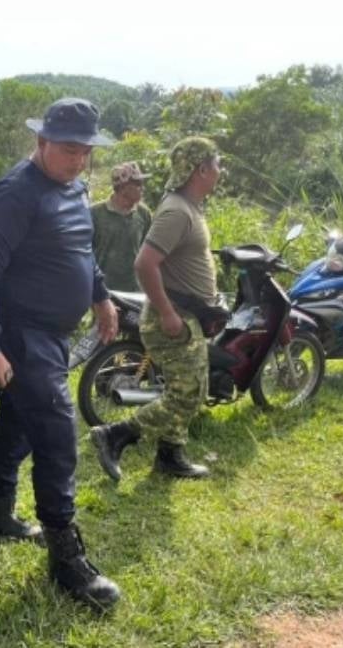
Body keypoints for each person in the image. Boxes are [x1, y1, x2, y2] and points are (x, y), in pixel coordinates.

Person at [0, 98, 121, 611]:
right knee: (56, 434)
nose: (79, 159)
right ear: (41, 142)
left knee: (17, 424)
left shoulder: (71, 186)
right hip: (22, 335)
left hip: (54, 334)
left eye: (86, 151)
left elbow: (81, 249)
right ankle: (66, 557)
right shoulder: (15, 194)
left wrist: (100, 296)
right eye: (69, 149)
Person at [91, 137, 221, 482]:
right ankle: (115, 434)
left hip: (188, 312)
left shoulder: (188, 206)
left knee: (193, 387)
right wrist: (167, 312)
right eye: (216, 164)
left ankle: (170, 454)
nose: (220, 171)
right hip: (173, 315)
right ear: (201, 169)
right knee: (186, 392)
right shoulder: (177, 210)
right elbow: (145, 263)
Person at [90, 161, 153, 291]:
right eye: (138, 184)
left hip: (135, 289)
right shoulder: (95, 214)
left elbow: (147, 251)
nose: (142, 188)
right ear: (124, 188)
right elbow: (86, 253)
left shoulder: (144, 214)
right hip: (104, 290)